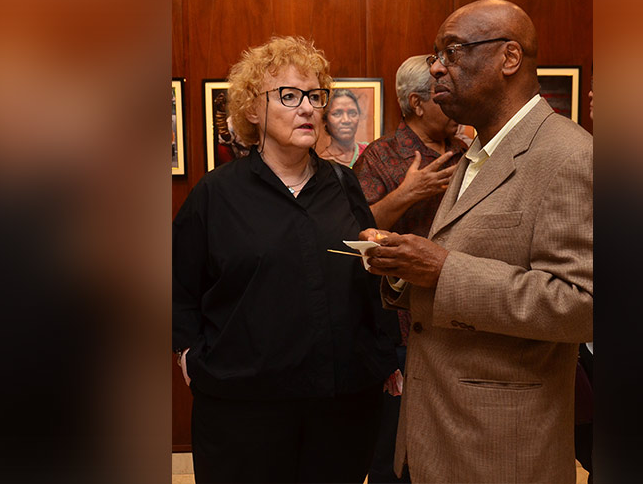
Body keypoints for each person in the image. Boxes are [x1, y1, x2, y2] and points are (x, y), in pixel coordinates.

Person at [360, 0, 593, 483]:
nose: (436, 68)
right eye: (436, 55)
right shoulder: (474, 154)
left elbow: (580, 304)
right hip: (433, 436)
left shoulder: (569, 155)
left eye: (453, 52)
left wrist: (444, 271)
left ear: (509, 59)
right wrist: (404, 270)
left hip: (501, 447)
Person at [172, 35, 398, 483]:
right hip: (244, 408)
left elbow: (367, 274)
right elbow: (177, 286)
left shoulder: (342, 183)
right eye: (290, 96)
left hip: (341, 403)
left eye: (315, 96)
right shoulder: (215, 194)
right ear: (253, 110)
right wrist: (187, 356)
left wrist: (385, 352)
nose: (309, 108)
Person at [353, 55, 467, 483]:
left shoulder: (467, 152)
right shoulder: (379, 157)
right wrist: (407, 193)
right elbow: (357, 232)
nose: (450, 97)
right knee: (394, 457)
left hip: (463, 320)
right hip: (400, 332)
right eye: (441, 92)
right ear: (417, 103)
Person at [320, 88, 368, 167]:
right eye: (337, 113)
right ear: (325, 120)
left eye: (352, 113)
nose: (346, 120)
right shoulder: (321, 164)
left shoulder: (370, 153)